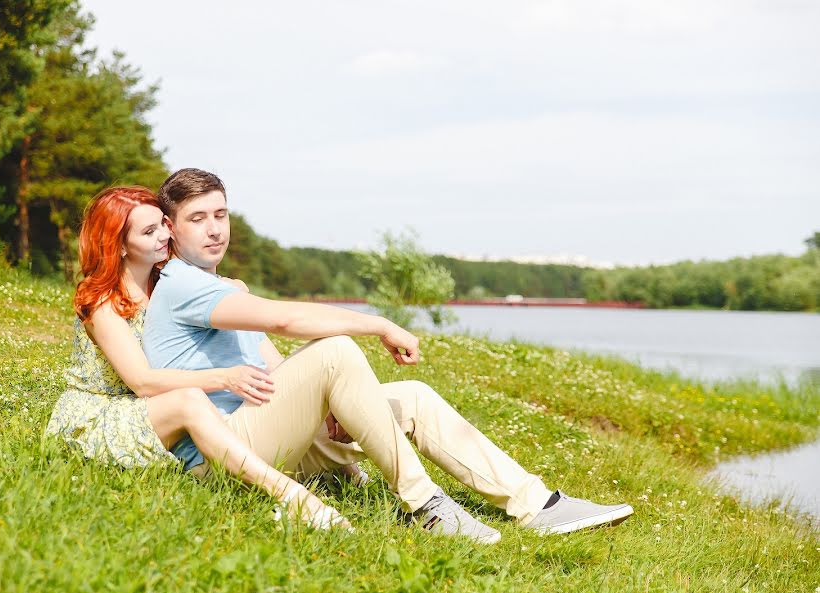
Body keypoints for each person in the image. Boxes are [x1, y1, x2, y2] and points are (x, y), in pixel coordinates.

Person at [142, 168, 634, 542]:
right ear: (170, 227)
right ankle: (425, 505)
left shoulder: (223, 287)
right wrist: (378, 323)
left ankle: (537, 504)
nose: (213, 230)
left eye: (220, 215)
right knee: (334, 348)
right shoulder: (183, 284)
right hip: (225, 453)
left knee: (413, 397)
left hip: (269, 434)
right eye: (197, 219)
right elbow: (286, 322)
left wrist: (327, 403)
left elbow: (272, 364)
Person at [45, 186, 352, 529]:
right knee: (190, 400)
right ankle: (293, 497)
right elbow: (142, 382)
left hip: (154, 407)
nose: (165, 235)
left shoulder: (167, 283)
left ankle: (343, 469)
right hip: (104, 412)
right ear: (118, 245)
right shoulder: (104, 301)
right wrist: (224, 377)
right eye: (149, 232)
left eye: (162, 224)